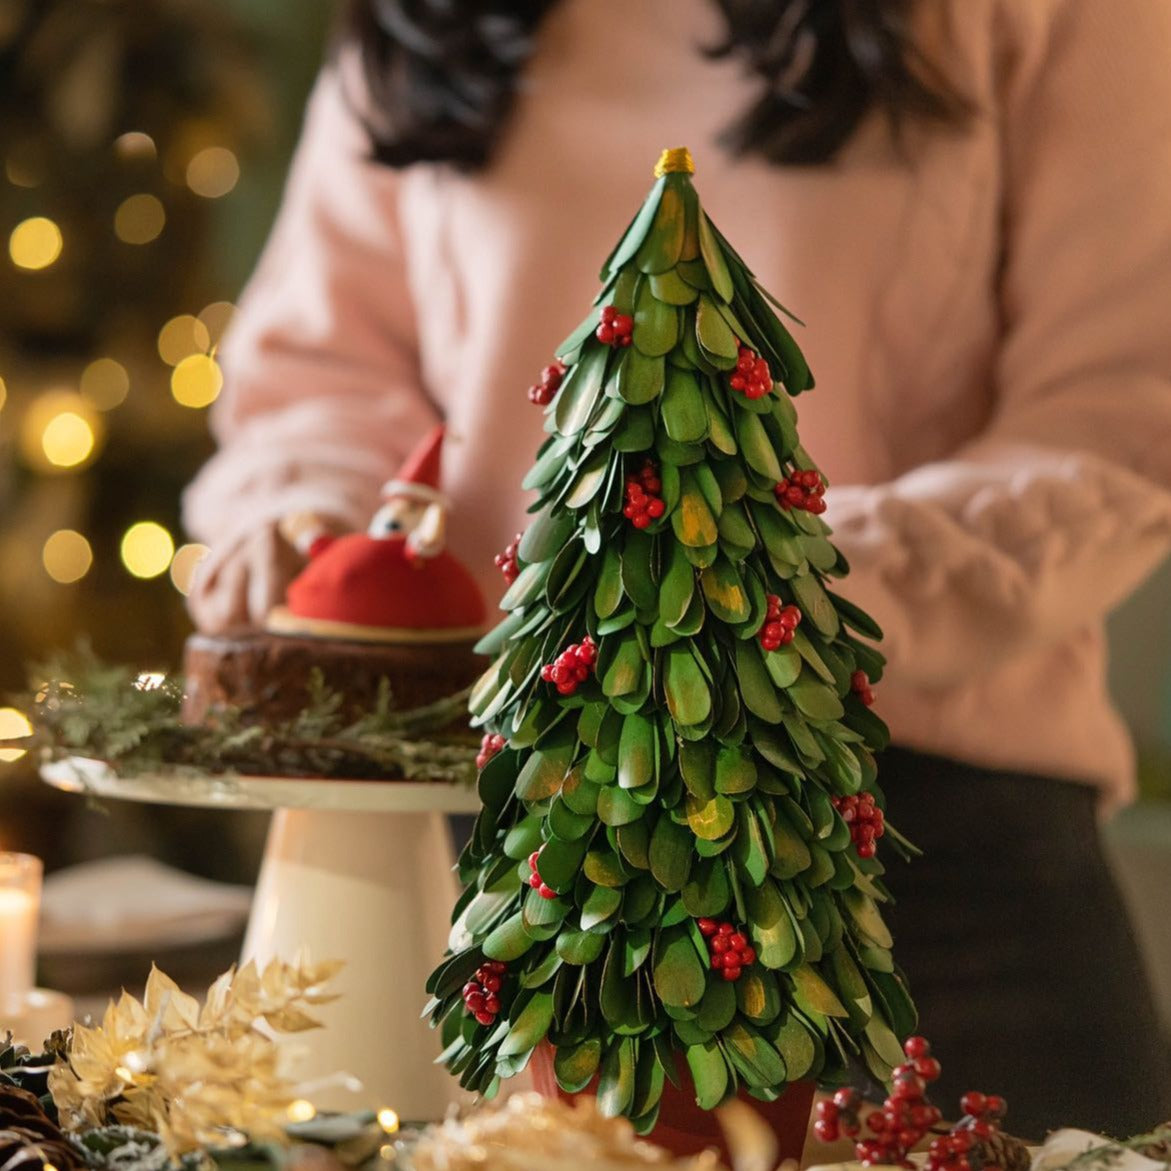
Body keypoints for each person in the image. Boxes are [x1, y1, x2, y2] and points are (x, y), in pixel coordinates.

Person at [184, 0, 1171, 1137]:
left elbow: (1116, 416)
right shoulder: (416, 22)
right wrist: (311, 527)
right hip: (503, 851)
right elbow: (320, 375)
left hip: (919, 855)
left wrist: (750, 594)